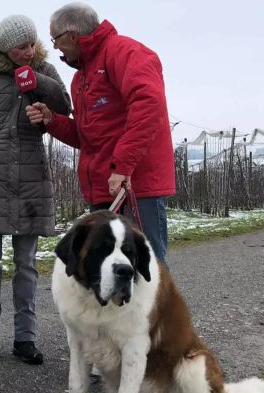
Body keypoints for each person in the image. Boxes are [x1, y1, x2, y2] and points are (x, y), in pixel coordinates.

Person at [0, 14, 72, 364]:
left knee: (26, 263)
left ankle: (25, 338)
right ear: (5, 47)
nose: (30, 50)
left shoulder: (43, 71)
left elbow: (65, 107)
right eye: (22, 46)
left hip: (30, 179)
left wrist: (36, 80)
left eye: (33, 43)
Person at [26, 2, 175, 263]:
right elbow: (88, 137)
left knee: (146, 268)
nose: (55, 47)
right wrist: (52, 121)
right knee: (109, 270)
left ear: (72, 35)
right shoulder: (81, 78)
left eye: (55, 39)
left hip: (135, 187)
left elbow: (149, 104)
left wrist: (123, 167)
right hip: (106, 188)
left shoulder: (126, 53)